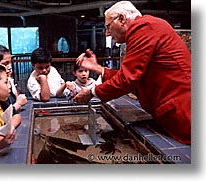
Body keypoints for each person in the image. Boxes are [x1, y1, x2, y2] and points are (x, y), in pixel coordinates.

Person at [73, 1, 191, 144]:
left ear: (122, 19)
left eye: (108, 27)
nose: (107, 33)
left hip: (184, 111)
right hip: (175, 112)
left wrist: (91, 92)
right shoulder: (146, 27)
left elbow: (127, 80)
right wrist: (97, 68)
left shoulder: (143, 27)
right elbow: (132, 77)